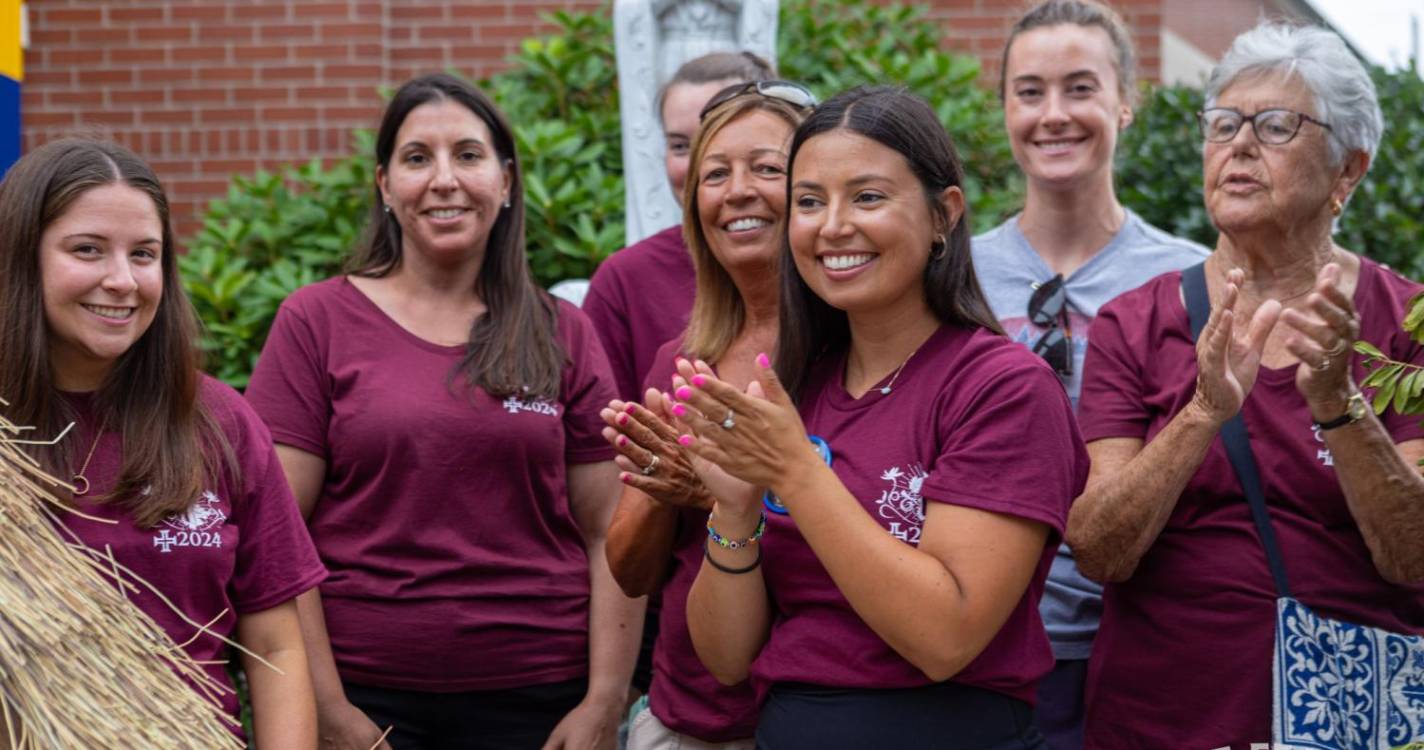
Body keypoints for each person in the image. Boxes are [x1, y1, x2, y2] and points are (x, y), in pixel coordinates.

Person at [674, 86, 1088, 748]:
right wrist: (732, 510)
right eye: (809, 202)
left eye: (867, 197)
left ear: (943, 215)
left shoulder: (1002, 389)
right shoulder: (794, 386)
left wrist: (795, 472)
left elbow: (946, 637)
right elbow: (725, 661)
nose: (833, 225)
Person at [244, 74, 640, 750]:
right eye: (418, 158)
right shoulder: (316, 322)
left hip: (541, 703)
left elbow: (611, 533)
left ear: (507, 181)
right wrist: (327, 706)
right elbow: (278, 534)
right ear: (385, 186)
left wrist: (604, 701)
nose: (445, 179)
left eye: (468, 154)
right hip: (368, 703)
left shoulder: (561, 331)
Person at [1066, 24, 1424, 749]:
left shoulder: (1404, 323)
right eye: (1223, 124)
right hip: (1162, 719)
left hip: (1353, 719)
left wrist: (1339, 404)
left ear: (1347, 170)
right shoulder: (1134, 324)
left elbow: (1412, 558)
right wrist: (1203, 413)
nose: (1238, 144)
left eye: (1277, 125)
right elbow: (1100, 551)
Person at [0, 137, 325, 746]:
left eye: (144, 254)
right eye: (88, 250)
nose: (122, 281)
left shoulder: (219, 420)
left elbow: (276, 643)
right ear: (23, 257)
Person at [970, 2, 1208, 746]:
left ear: (1125, 103)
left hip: (1132, 641)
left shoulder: (1188, 278)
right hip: (978, 641)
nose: (1054, 115)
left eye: (1080, 88)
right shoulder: (954, 275)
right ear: (1005, 107)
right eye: (1030, 91)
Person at [602, 81, 814, 750]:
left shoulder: (858, 349)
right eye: (715, 174)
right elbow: (631, 573)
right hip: (686, 719)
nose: (738, 191)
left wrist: (743, 492)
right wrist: (669, 489)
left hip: (816, 715)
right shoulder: (682, 360)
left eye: (766, 169)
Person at [584, 51, 777, 404]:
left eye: (715, 136)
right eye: (680, 145)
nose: (700, 163)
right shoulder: (625, 279)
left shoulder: (831, 270)